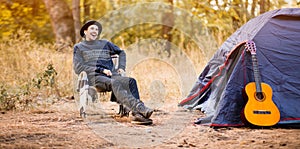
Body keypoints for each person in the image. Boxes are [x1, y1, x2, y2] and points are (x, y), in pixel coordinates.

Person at [73, 20, 153, 124]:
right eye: (92, 28)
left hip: (112, 75)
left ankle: (137, 115)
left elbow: (121, 52)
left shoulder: (105, 43)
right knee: (115, 83)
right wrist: (101, 70)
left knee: (131, 81)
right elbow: (78, 67)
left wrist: (121, 67)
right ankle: (139, 107)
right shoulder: (79, 47)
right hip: (94, 77)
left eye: (97, 29)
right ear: (85, 31)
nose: (95, 31)